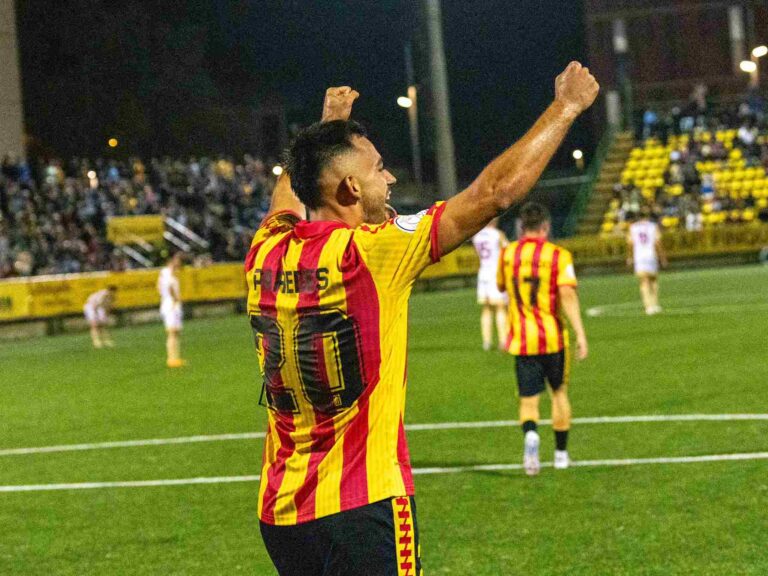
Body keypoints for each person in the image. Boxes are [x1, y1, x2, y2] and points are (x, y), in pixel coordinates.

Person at [249, 63, 598, 575]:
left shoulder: (265, 247)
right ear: (349, 187)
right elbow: (494, 194)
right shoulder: (374, 252)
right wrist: (566, 106)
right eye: (379, 169)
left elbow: (291, 192)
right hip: (362, 504)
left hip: (281, 511)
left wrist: (326, 130)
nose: (388, 179)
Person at [497, 202, 588, 476]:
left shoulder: (508, 254)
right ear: (546, 227)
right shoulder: (559, 256)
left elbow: (502, 286)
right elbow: (567, 295)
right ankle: (560, 454)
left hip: (523, 340)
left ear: (522, 228)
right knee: (559, 393)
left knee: (528, 400)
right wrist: (581, 334)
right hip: (553, 340)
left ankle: (531, 435)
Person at [472, 218, 508, 350]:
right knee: (500, 308)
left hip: (483, 273)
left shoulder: (477, 236)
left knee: (486, 309)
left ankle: (486, 342)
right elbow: (507, 251)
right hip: (495, 273)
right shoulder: (497, 234)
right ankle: (503, 340)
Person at [626, 210, 667, 315]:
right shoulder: (653, 226)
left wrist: (629, 257)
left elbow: (630, 244)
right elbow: (658, 242)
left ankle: (648, 306)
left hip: (639, 256)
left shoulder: (633, 228)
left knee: (644, 281)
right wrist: (662, 257)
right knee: (653, 280)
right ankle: (655, 304)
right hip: (651, 255)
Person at [158, 252, 185, 367]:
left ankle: (176, 357)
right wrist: (175, 298)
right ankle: (171, 358)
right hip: (171, 304)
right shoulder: (167, 273)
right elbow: (169, 287)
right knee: (172, 332)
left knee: (176, 332)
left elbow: (159, 286)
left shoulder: (169, 274)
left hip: (172, 303)